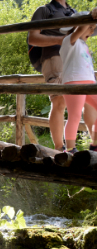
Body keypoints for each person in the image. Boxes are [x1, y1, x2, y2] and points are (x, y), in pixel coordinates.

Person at [29, 2, 97, 150]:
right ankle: (62, 149)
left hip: (79, 65)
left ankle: (93, 144)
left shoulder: (72, 11)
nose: (91, 31)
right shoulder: (44, 10)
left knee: (88, 106)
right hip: (54, 56)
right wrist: (63, 39)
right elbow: (32, 38)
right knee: (60, 102)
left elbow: (84, 30)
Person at [60, 21, 97, 152]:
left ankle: (95, 144)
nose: (92, 31)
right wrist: (90, 17)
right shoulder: (69, 41)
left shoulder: (83, 44)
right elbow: (81, 28)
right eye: (90, 28)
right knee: (75, 115)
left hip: (90, 83)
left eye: (94, 28)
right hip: (74, 81)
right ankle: (70, 149)